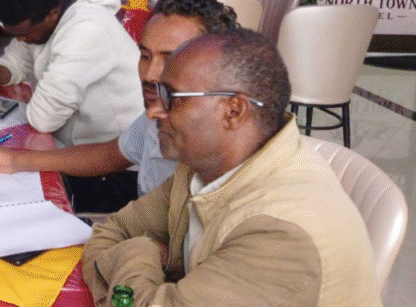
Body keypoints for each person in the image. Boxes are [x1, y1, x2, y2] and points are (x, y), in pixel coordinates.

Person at [82, 29, 382, 306]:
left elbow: (120, 250)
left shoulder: (280, 234)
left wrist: (138, 250)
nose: (154, 111)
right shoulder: (202, 166)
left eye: (172, 98)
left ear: (233, 111)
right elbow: (111, 231)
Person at [0, 0, 238, 213]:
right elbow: (110, 154)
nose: (150, 74)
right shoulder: (160, 112)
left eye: (171, 58)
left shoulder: (225, 161)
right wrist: (15, 160)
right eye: (145, 56)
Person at [0, 0, 141, 147]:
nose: (20, 40)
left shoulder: (86, 29)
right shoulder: (41, 13)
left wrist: (33, 101)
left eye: (23, 33)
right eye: (12, 34)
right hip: (75, 138)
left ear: (52, 15)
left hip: (117, 147)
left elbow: (43, 118)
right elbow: (16, 60)